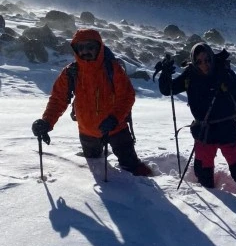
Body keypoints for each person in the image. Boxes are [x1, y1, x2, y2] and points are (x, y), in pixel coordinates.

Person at [31, 29, 153, 176]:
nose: (85, 51)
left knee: (134, 168)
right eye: (80, 48)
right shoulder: (71, 72)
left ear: (99, 48)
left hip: (116, 129)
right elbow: (58, 100)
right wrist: (46, 122)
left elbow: (126, 96)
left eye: (90, 47)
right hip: (87, 131)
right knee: (94, 167)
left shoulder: (112, 68)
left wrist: (114, 119)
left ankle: (144, 194)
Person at [158, 42, 236, 199]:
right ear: (193, 61)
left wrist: (229, 103)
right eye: (199, 61)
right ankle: (212, 201)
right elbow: (167, 89)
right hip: (204, 134)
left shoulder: (224, 73)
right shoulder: (190, 75)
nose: (204, 64)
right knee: (203, 173)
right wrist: (165, 74)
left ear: (212, 57)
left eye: (207, 60)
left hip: (227, 131)